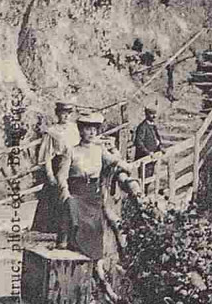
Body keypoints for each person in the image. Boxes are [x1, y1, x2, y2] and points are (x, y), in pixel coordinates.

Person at [56, 110, 131, 259]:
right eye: (87, 128)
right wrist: (65, 191)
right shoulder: (71, 151)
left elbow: (114, 160)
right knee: (70, 207)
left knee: (93, 232)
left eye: (94, 129)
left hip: (93, 195)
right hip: (76, 193)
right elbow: (61, 175)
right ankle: (66, 243)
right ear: (80, 130)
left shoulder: (99, 149)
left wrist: (127, 167)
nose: (91, 132)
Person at [31, 102, 80, 233]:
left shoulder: (75, 128)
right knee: (54, 195)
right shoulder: (52, 131)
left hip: (74, 164)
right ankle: (52, 228)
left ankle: (73, 225)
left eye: (69, 113)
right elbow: (46, 156)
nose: (66, 116)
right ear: (58, 114)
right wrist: (50, 175)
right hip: (58, 164)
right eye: (63, 113)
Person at [133, 107, 164, 177]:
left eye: (155, 114)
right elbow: (139, 143)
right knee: (144, 178)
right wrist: (148, 152)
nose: (154, 116)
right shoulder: (142, 127)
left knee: (150, 176)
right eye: (151, 114)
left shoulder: (153, 126)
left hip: (152, 157)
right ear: (146, 115)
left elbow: (157, 138)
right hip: (144, 158)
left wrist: (160, 147)